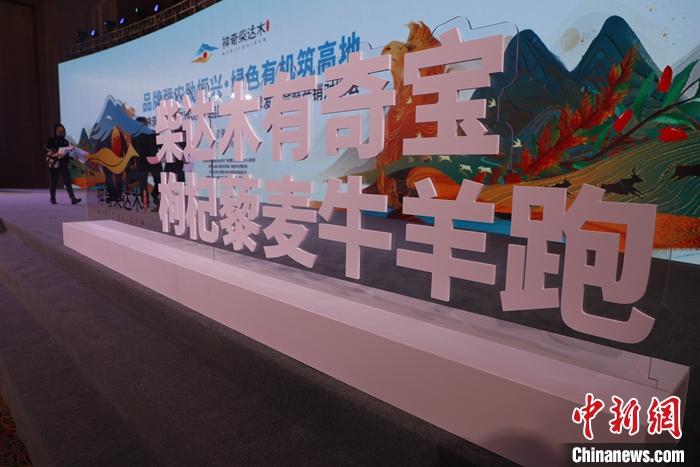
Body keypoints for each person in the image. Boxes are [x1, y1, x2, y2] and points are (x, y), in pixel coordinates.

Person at [45, 123, 82, 205]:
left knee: (67, 181)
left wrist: (73, 156)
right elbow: (47, 151)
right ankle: (52, 198)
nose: (60, 132)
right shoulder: (51, 140)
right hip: (54, 164)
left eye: (61, 130)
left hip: (63, 163)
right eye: (58, 130)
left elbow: (68, 153)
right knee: (54, 181)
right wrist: (56, 154)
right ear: (55, 131)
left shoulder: (65, 141)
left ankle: (73, 198)